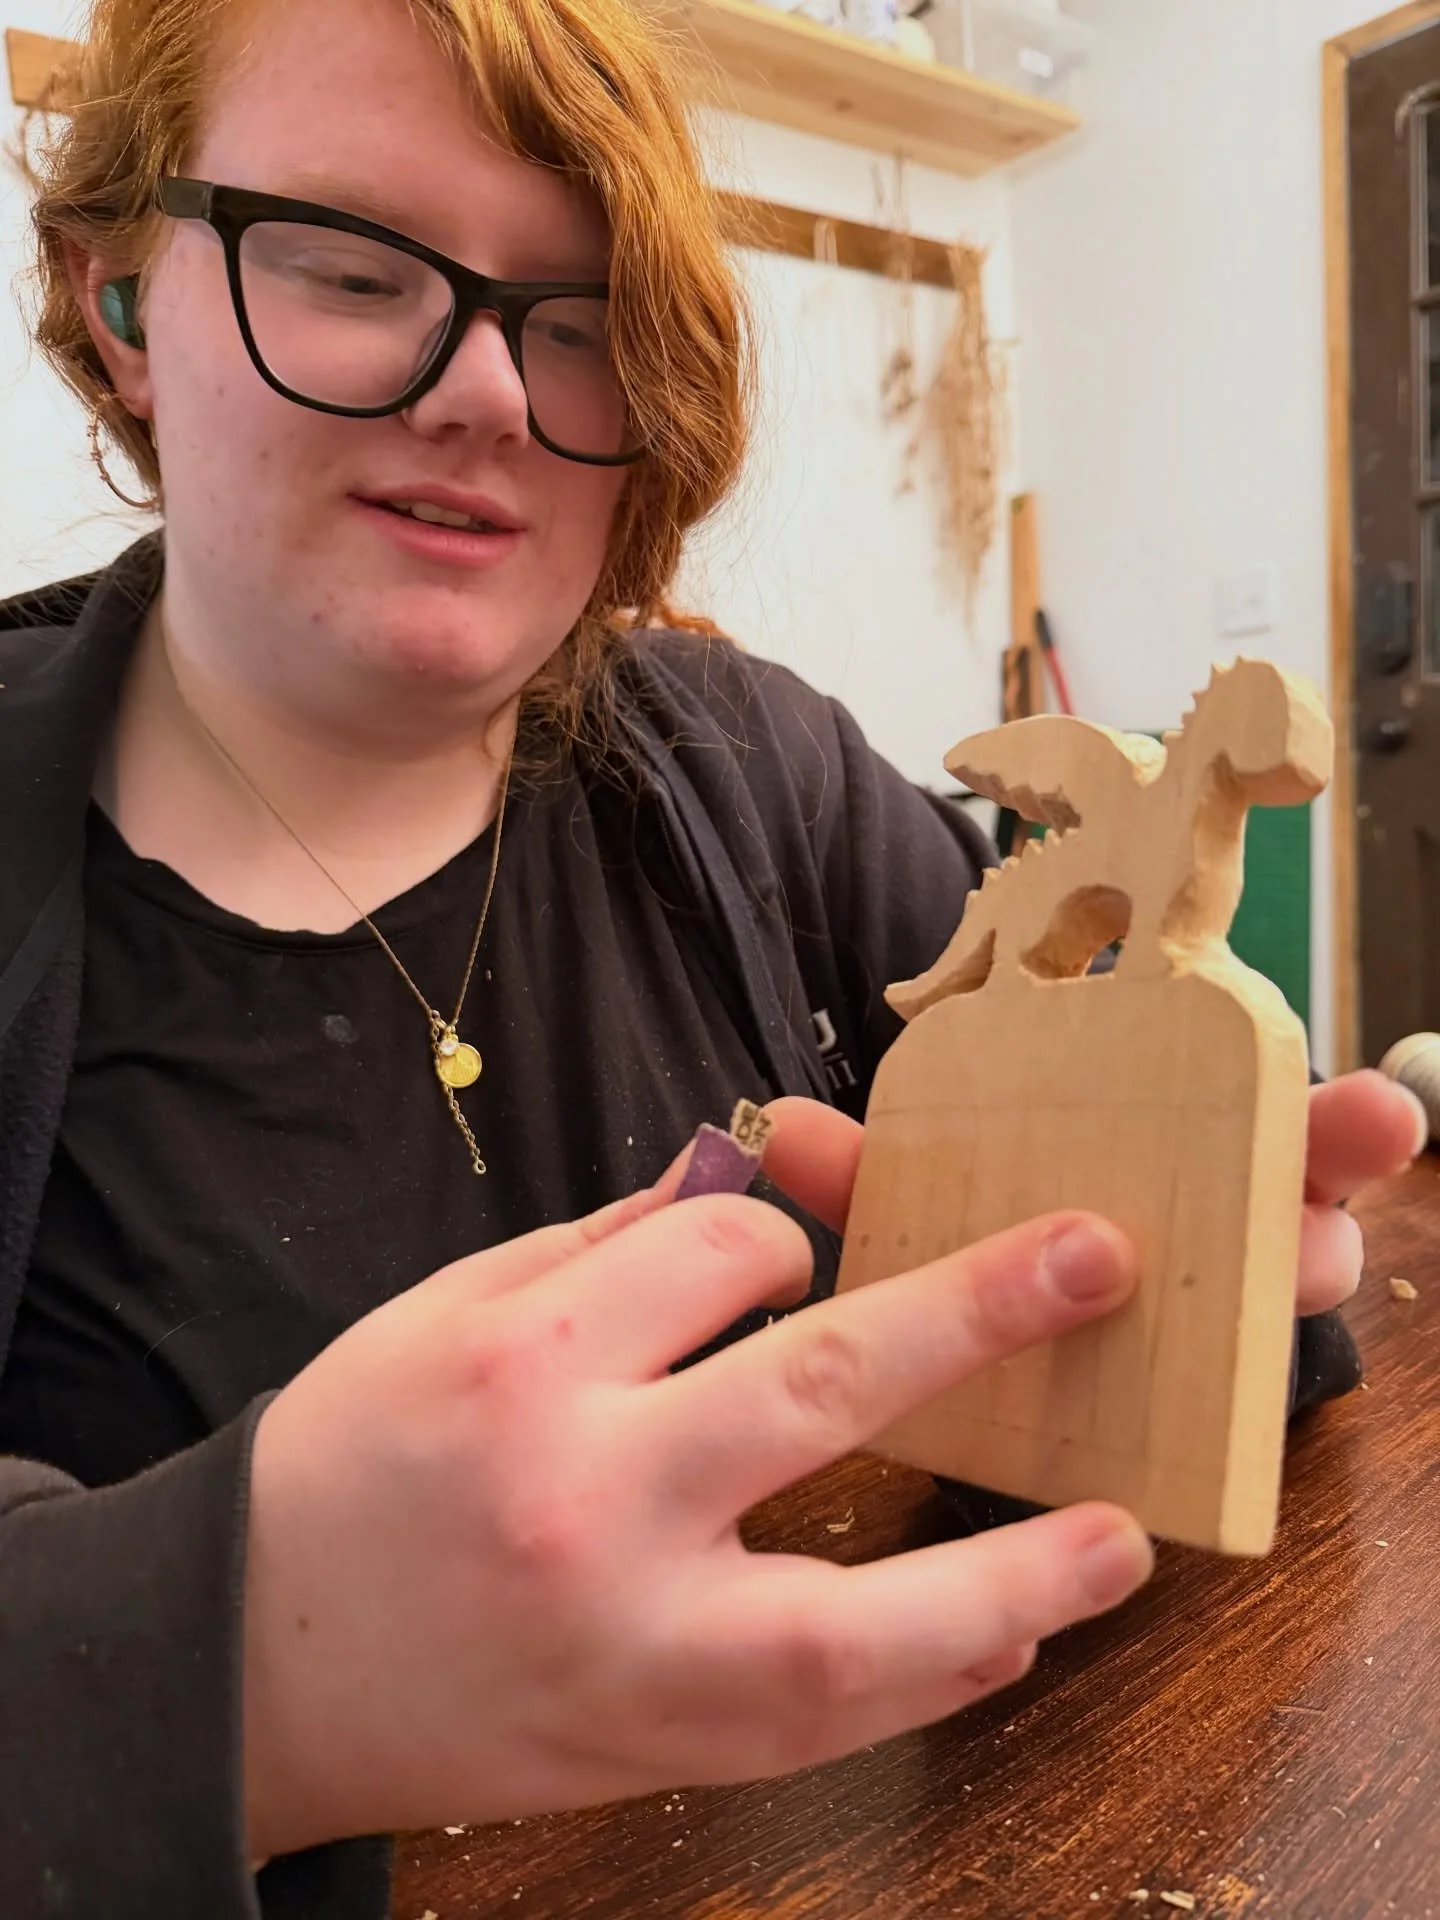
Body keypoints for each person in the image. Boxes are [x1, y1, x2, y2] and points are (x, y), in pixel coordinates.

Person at [0, 0, 1423, 1912]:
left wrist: (1172, 1315)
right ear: (115, 304)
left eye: (578, 323)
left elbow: (1107, 1416)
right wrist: (219, 1670)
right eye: (350, 269)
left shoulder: (757, 773)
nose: (490, 395)